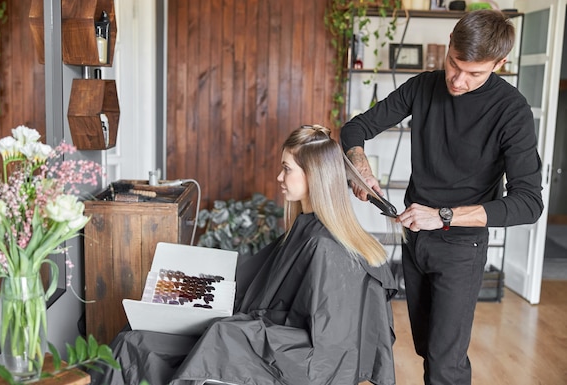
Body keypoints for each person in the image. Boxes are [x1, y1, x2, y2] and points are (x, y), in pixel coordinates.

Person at [92, 124, 398, 385]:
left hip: (267, 357)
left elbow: (323, 354)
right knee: (131, 337)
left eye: (286, 169)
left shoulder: (326, 249)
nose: (279, 177)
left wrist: (236, 331)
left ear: (313, 176)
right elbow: (256, 281)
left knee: (137, 346)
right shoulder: (306, 229)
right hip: (247, 331)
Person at [340, 9, 544, 385]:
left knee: (444, 365)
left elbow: (529, 203)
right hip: (415, 238)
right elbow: (356, 128)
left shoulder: (512, 112)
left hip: (461, 248)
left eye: (475, 73)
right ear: (449, 44)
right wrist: (360, 167)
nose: (459, 80)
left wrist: (444, 215)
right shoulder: (423, 86)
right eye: (454, 65)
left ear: (501, 63)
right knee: (426, 348)